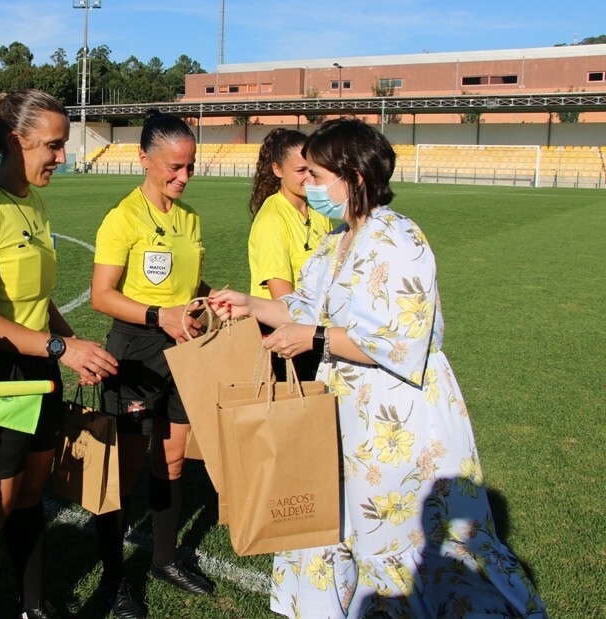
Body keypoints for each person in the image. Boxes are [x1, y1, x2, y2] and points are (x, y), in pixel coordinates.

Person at [209, 119, 546, 618]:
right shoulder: (336, 240)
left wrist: (316, 338)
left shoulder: (398, 238)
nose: (309, 184)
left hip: (395, 419)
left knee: (394, 535)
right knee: (337, 525)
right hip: (346, 408)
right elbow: (304, 307)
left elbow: (401, 341)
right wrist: (250, 304)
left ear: (355, 178)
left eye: (318, 175)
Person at [0, 88, 118, 619]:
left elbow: (38, 300)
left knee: (31, 494)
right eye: (53, 145)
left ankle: (34, 603)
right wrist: (62, 347)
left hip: (42, 368)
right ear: (17, 141)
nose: (62, 156)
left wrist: (73, 343)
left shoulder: (34, 202)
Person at [90, 109, 217, 619]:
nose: (184, 177)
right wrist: (155, 314)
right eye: (174, 167)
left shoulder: (190, 218)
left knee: (173, 460)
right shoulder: (123, 218)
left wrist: (212, 297)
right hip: (136, 352)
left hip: (183, 347)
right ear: (144, 159)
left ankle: (165, 560)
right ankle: (115, 581)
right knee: (122, 475)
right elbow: (102, 295)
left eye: (190, 166)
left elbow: (189, 284)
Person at [248, 128, 333, 381]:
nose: (309, 177)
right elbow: (283, 297)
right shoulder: (272, 219)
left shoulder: (319, 211)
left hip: (314, 329)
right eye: (300, 170)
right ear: (277, 170)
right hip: (285, 337)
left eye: (312, 169)